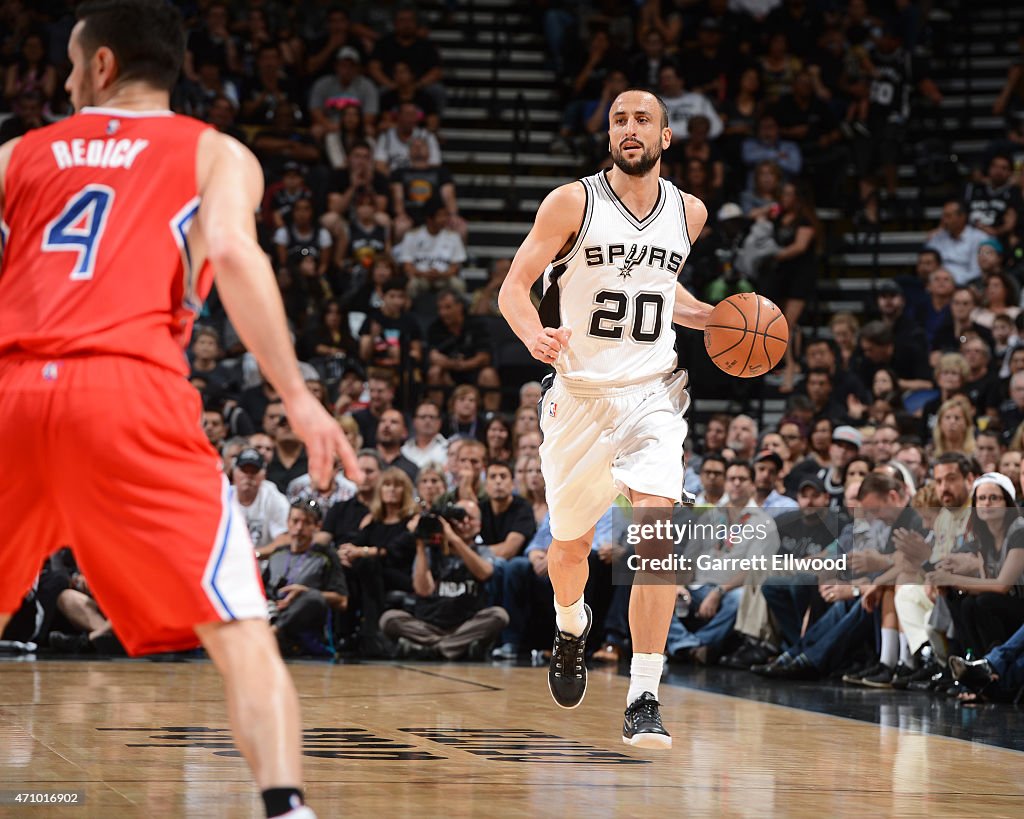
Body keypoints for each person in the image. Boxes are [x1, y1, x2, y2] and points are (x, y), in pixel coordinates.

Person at [0, 4, 363, 818]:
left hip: (13, 389)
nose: (61, 80)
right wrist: (299, 399)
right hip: (130, 391)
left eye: (68, 63)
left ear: (99, 67)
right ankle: (285, 807)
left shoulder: (18, 154)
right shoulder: (214, 152)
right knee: (237, 623)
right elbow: (233, 251)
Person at [498, 87, 712, 748]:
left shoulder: (690, 212)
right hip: (578, 398)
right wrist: (533, 332)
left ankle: (644, 693)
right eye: (619, 118)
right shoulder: (572, 201)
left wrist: (713, 317)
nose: (629, 128)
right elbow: (514, 284)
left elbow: (660, 285)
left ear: (666, 137)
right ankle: (570, 626)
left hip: (651, 393)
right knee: (569, 549)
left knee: (657, 528)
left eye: (643, 119)